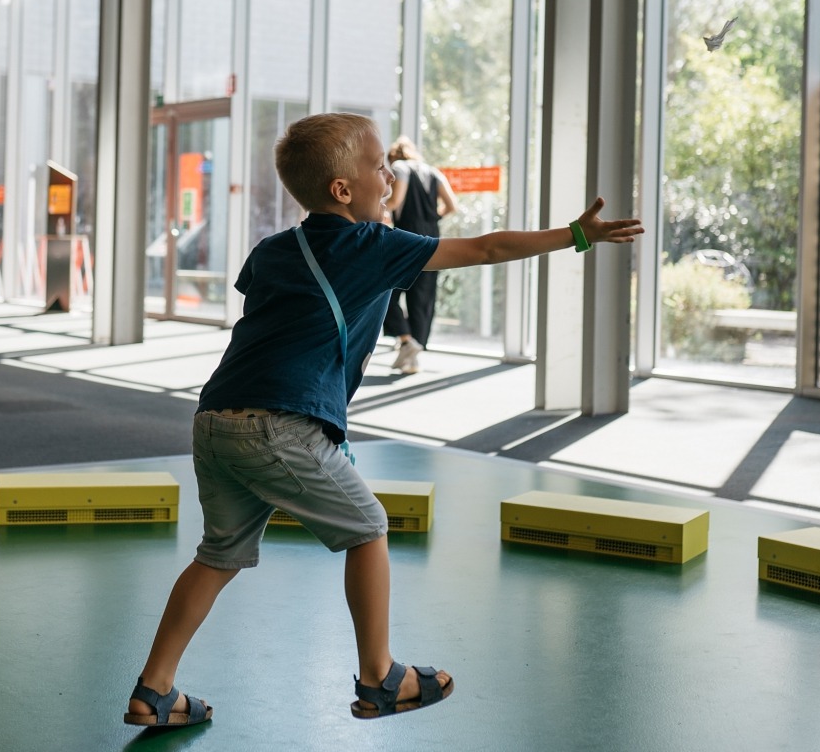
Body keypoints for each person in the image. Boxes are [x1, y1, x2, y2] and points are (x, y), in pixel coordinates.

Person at [123, 112, 642, 727]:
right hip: (279, 425)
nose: (389, 174)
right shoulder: (372, 246)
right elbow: (486, 247)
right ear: (343, 190)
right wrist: (575, 236)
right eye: (378, 167)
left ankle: (154, 691)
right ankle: (380, 678)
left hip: (214, 420)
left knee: (219, 554)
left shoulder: (271, 250)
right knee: (368, 528)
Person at [382, 136, 459, 375]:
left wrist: (375, 209)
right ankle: (413, 357)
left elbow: (396, 200)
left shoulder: (399, 168)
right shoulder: (433, 172)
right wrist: (432, 218)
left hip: (406, 237)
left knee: (386, 291)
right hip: (432, 239)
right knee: (422, 298)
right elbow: (452, 205)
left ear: (393, 156)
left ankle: (406, 340)